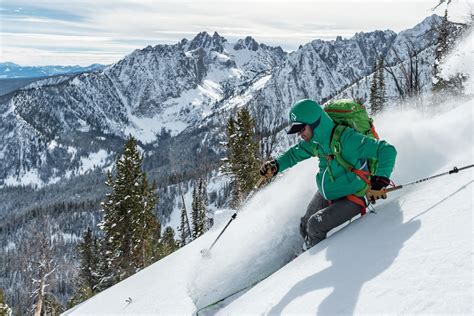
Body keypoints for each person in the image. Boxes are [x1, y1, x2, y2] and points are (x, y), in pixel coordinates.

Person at [260, 99, 397, 249]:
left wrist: (380, 180)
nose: (299, 134)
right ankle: (307, 248)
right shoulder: (315, 142)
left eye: (301, 129)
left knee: (314, 226)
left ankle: (306, 263)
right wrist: (276, 165)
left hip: (356, 195)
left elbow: (387, 150)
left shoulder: (347, 139)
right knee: (304, 224)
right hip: (332, 190)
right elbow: (294, 154)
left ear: (315, 123)